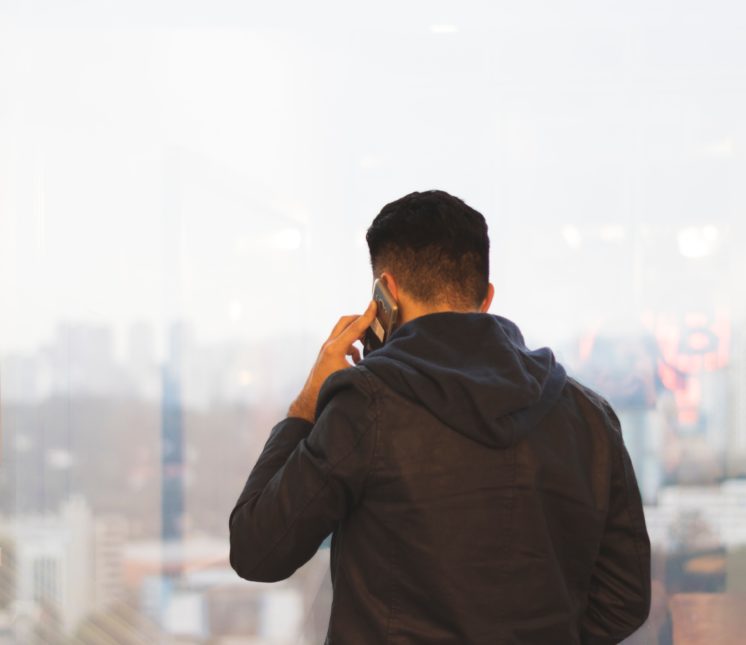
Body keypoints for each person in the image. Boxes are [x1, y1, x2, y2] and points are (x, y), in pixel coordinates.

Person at [229, 189, 651, 644]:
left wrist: (306, 404)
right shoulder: (589, 416)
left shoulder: (365, 405)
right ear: (486, 297)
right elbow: (625, 597)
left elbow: (258, 549)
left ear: (385, 293)